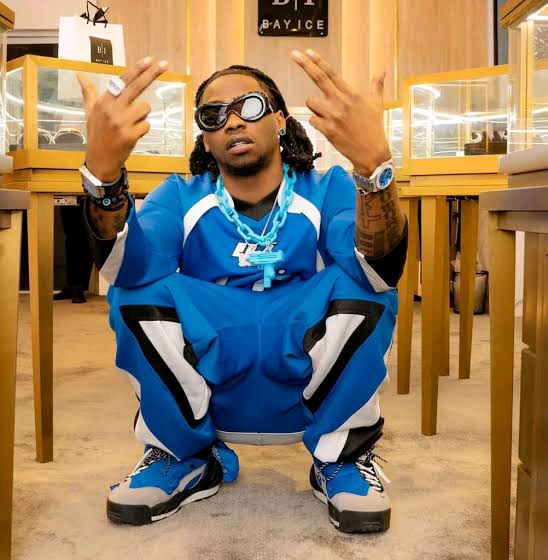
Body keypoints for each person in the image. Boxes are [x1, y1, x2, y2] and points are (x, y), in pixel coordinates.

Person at [77, 49, 407, 533]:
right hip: (212, 387)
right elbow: (123, 269)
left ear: (280, 119)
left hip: (305, 383)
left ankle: (342, 457)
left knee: (367, 285)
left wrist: (374, 169)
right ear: (205, 137)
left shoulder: (327, 188)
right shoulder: (181, 195)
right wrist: (102, 179)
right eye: (213, 115)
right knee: (133, 292)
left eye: (249, 106)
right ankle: (182, 456)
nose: (232, 121)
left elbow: (380, 268)